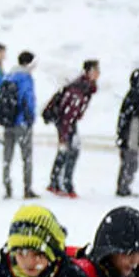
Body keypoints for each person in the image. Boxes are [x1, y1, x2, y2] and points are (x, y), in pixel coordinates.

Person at [47, 60, 99, 198]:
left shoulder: (85, 87)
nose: (98, 74)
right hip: (66, 124)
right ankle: (64, 183)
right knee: (71, 151)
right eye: (95, 71)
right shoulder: (78, 89)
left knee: (67, 152)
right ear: (88, 72)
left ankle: (56, 182)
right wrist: (63, 135)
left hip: (68, 123)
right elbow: (67, 114)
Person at [1, 51, 39, 200]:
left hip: (8, 122)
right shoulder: (26, 78)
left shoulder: (8, 76)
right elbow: (28, 99)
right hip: (21, 122)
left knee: (7, 157)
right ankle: (27, 188)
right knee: (26, 157)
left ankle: (7, 186)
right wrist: (30, 118)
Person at [115, 70, 139, 197]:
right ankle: (124, 187)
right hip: (130, 134)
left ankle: (124, 186)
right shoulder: (135, 99)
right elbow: (130, 119)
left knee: (130, 161)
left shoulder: (132, 98)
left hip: (130, 133)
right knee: (130, 160)